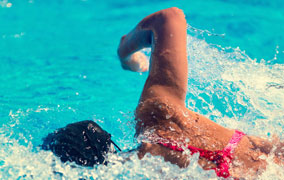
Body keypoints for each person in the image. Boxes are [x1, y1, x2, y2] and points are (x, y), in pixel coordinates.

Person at [43, 7, 284, 179]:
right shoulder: (157, 116)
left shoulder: (143, 170)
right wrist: (125, 53)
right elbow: (169, 17)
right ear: (106, 137)